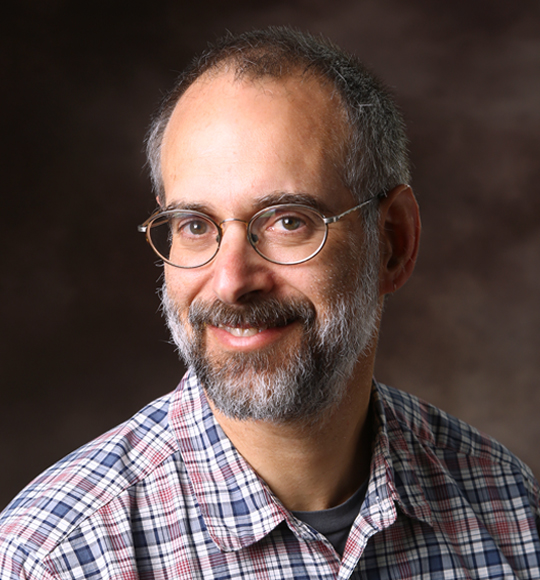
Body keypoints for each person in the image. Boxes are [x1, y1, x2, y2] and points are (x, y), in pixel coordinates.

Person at [1, 26, 539, 580]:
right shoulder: (53, 558)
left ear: (394, 243)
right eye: (194, 225)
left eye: (288, 221)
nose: (232, 281)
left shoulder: (511, 510)